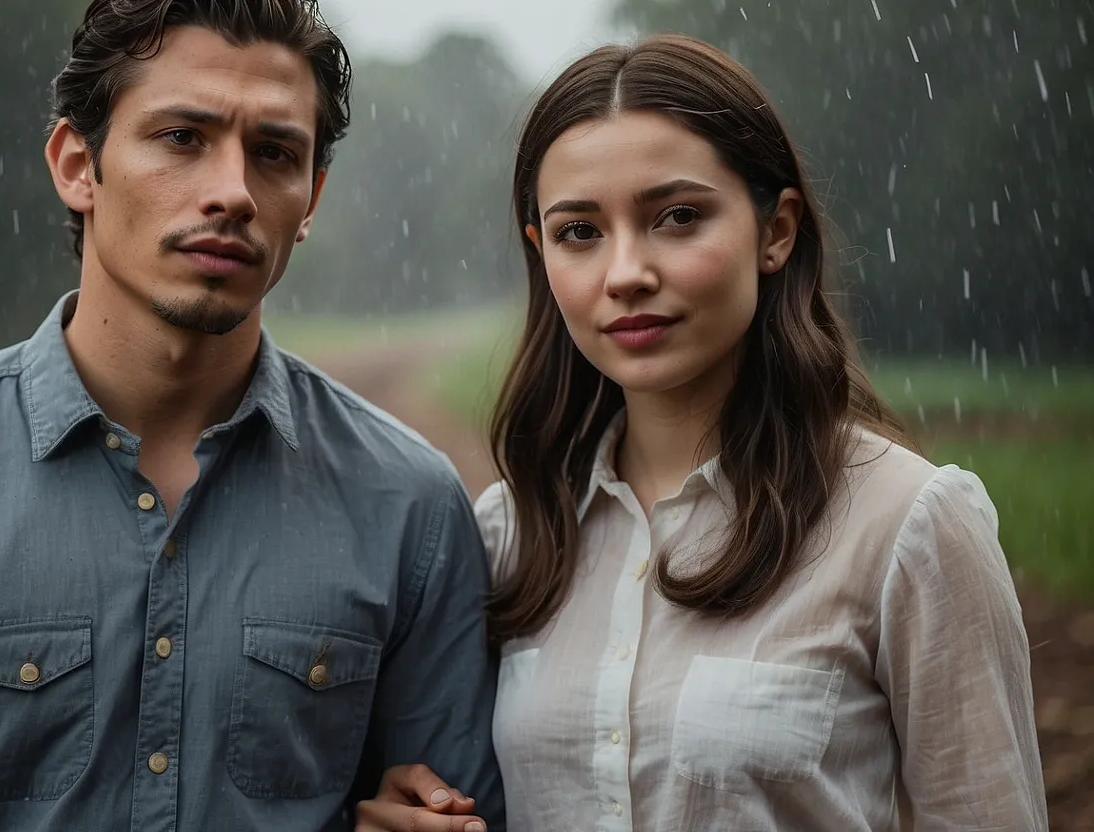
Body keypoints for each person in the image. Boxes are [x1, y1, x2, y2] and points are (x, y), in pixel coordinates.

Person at [0, 1, 505, 830]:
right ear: (78, 164)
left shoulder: (415, 510)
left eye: (275, 153)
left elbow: (452, 810)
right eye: (183, 137)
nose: (233, 193)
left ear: (311, 196)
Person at [362, 34, 1048, 831]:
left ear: (776, 231)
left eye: (677, 217)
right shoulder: (507, 536)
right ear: (540, 252)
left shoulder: (909, 525)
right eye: (579, 231)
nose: (625, 273)